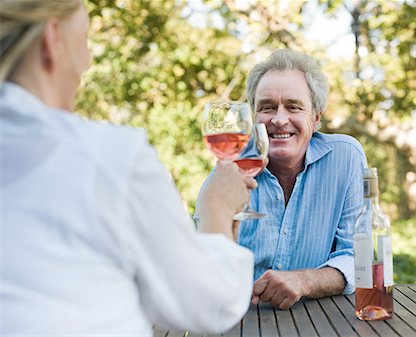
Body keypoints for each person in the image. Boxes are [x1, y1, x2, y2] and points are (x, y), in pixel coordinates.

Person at [0, 0, 257, 334]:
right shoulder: (105, 157)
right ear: (53, 38)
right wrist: (218, 208)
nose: (88, 60)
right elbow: (209, 306)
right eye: (85, 39)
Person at [197, 49, 367, 310]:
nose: (278, 119)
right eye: (266, 107)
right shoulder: (229, 168)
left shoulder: (346, 158)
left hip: (323, 320)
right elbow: (204, 267)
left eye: (293, 106)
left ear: (316, 116)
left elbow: (359, 257)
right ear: (254, 116)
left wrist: (304, 281)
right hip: (241, 318)